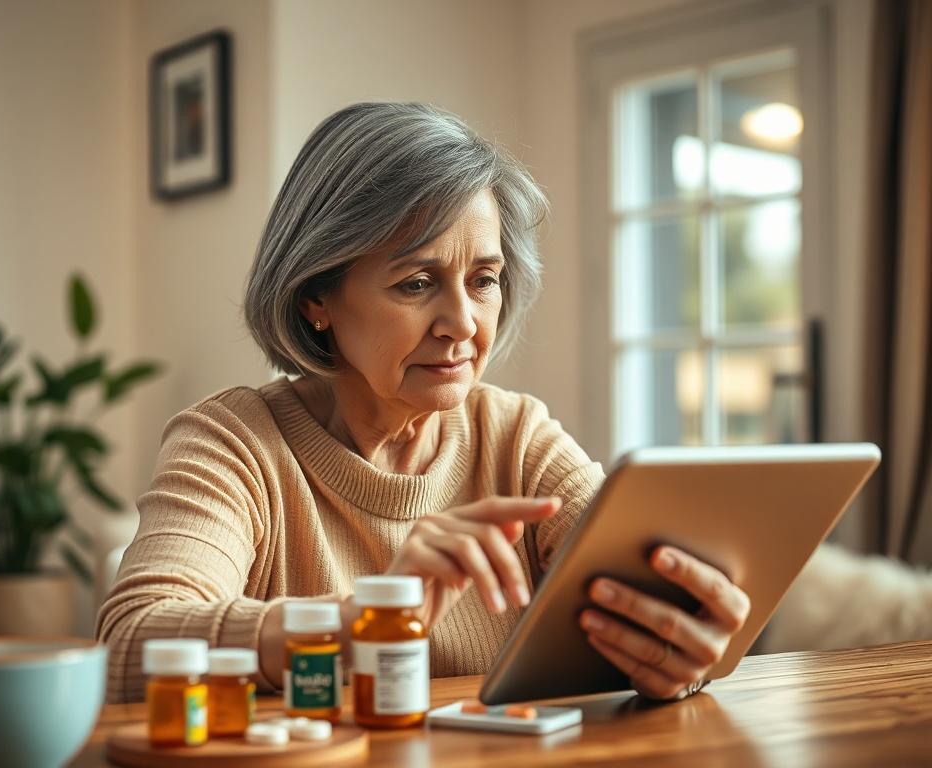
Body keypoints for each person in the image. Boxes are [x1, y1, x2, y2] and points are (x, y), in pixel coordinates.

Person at [95, 102, 750, 704]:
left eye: (484, 280)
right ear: (314, 298)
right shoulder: (234, 441)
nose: (463, 323)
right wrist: (362, 623)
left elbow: (643, 597)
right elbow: (131, 641)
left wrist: (677, 650)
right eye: (416, 283)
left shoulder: (516, 435)